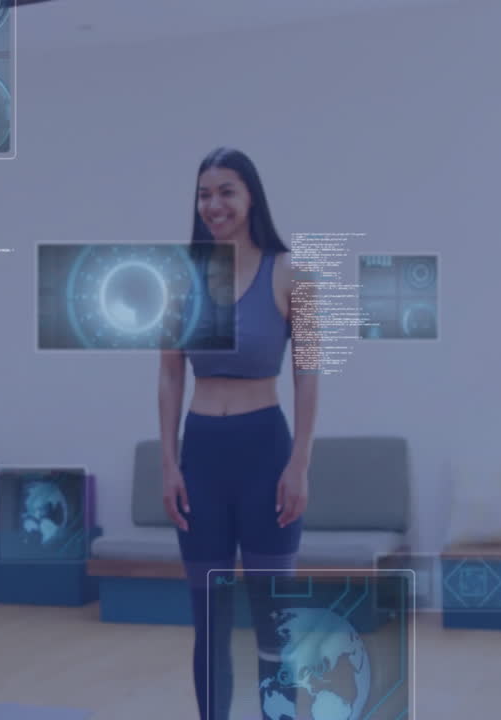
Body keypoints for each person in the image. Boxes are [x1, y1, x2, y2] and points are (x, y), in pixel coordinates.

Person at [158, 147, 320, 720]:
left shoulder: (289, 272)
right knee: (209, 623)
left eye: (226, 191)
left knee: (273, 622)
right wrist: (169, 462)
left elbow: (308, 374)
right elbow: (170, 369)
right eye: (204, 194)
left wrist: (299, 462)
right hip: (201, 454)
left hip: (264, 452)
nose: (214, 204)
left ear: (251, 196)